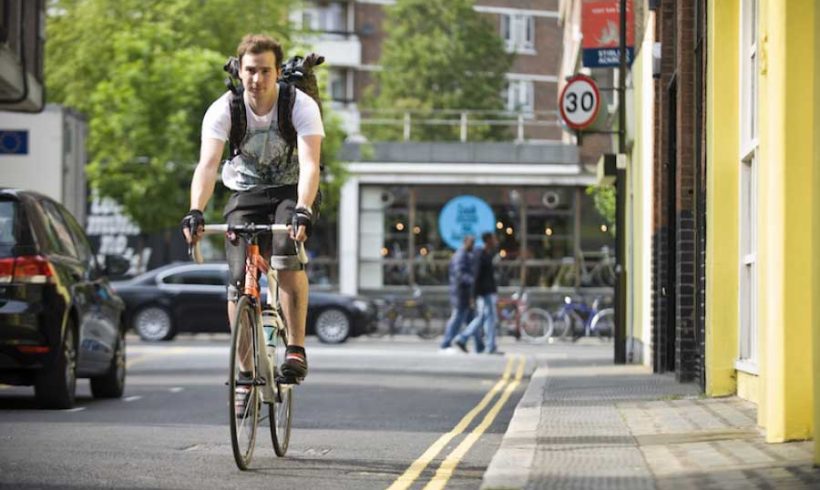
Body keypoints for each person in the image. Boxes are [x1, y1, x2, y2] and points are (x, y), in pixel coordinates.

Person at [181, 34, 324, 383]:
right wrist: (195, 210)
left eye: (264, 71)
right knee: (237, 282)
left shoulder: (300, 105)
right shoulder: (224, 109)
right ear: (239, 70)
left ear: (277, 72)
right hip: (246, 192)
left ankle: (296, 348)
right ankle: (245, 373)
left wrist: (303, 209)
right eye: (250, 71)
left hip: (292, 189)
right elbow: (208, 165)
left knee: (285, 255)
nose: (256, 80)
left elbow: (309, 165)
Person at [454, 232, 501, 354]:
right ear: (488, 240)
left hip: (488, 292)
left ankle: (463, 338)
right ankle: (490, 346)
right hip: (483, 293)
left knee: (483, 318)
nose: (495, 241)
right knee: (489, 318)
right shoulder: (480, 254)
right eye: (493, 239)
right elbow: (476, 276)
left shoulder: (487, 254)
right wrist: (472, 296)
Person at [440, 235, 484, 352]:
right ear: (465, 242)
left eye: (474, 243)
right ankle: (446, 343)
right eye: (471, 243)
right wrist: (473, 281)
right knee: (457, 319)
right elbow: (460, 274)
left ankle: (479, 345)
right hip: (460, 293)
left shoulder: (467, 255)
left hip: (466, 293)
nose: (473, 245)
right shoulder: (461, 255)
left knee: (472, 320)